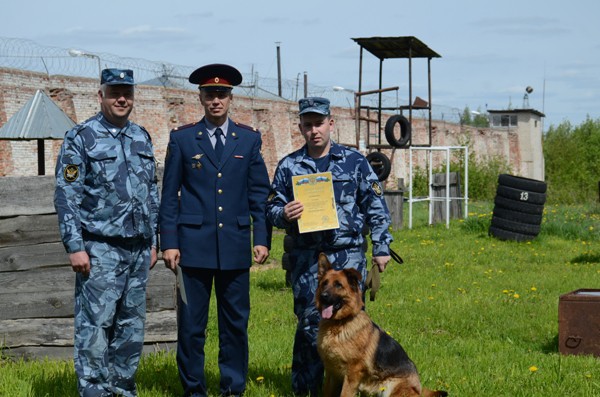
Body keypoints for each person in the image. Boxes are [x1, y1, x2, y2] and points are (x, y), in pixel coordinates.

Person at [266, 97, 393, 396]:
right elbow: (270, 206)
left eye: (319, 123)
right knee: (311, 323)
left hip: (347, 254)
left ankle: (347, 386)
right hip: (308, 258)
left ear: (331, 123)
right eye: (307, 125)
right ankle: (306, 389)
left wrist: (382, 246)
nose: (314, 131)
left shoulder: (354, 161)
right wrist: (284, 213)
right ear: (300, 127)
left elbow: (375, 204)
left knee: (349, 323)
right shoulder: (289, 165)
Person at [159, 63, 271, 397]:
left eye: (222, 94)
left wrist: (261, 238)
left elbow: (258, 194)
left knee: (234, 326)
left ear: (230, 98)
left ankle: (232, 388)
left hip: (235, 247)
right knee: (192, 327)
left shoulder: (248, 139)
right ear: (201, 98)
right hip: (192, 247)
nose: (216, 101)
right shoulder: (182, 139)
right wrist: (169, 242)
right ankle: (194, 390)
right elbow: (169, 196)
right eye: (210, 94)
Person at [54, 68, 159, 397]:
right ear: (100, 96)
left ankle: (123, 390)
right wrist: (75, 246)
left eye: (126, 91)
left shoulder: (141, 136)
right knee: (95, 328)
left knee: (131, 328)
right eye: (114, 92)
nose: (122, 98)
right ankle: (96, 392)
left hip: (139, 251)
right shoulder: (81, 137)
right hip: (100, 250)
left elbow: (151, 193)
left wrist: (154, 239)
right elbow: (66, 196)